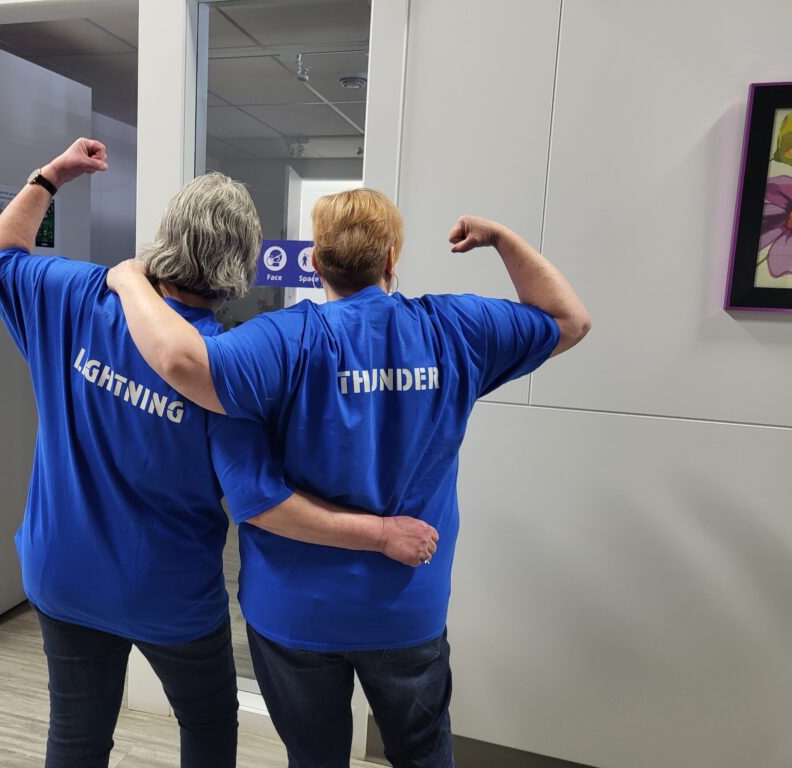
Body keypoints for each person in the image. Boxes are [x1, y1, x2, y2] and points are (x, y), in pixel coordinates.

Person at [0, 140, 440, 768]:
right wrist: (380, 530)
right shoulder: (225, 375)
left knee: (77, 736)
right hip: (168, 595)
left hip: (63, 574)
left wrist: (52, 176)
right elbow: (262, 501)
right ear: (243, 270)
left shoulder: (77, 296)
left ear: (164, 239)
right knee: (208, 722)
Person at [106, 187, 591, 767]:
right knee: (422, 755)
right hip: (405, 608)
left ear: (313, 263)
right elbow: (569, 318)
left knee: (315, 759)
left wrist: (130, 279)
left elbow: (188, 371)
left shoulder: (277, 343)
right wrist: (502, 239)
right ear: (391, 260)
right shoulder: (455, 329)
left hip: (294, 614)